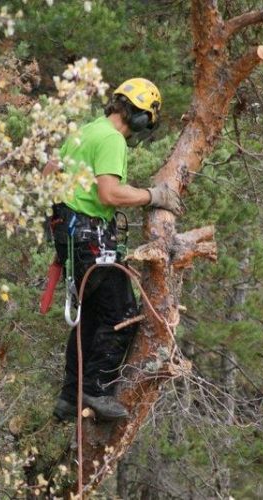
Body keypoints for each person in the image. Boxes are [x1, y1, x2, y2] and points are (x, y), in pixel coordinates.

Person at [45, 78, 181, 421]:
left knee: (89, 318)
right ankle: (95, 389)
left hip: (71, 238)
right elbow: (109, 194)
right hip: (91, 239)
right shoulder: (111, 139)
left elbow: (50, 172)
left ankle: (68, 397)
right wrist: (153, 196)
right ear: (137, 115)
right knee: (122, 316)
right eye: (146, 120)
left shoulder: (87, 130)